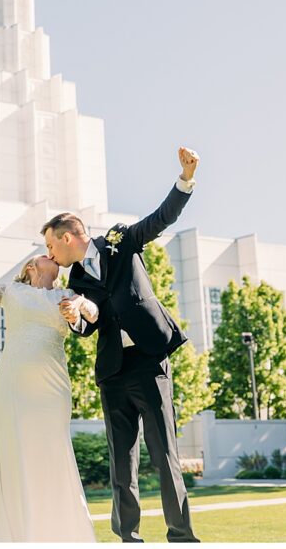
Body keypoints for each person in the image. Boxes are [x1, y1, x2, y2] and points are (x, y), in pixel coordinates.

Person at [46, 146, 201, 543]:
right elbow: (90, 317)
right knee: (121, 461)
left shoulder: (118, 240)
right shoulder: (76, 281)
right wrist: (77, 314)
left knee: (165, 454)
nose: (50, 254)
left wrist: (184, 179)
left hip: (149, 361)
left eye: (51, 245)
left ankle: (181, 534)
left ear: (68, 237)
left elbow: (158, 221)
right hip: (113, 373)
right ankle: (127, 536)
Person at [0, 230, 97, 542]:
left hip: (51, 392)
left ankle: (62, 535)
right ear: (30, 268)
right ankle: (21, 536)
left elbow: (92, 314)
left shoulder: (65, 295)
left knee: (53, 454)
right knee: (16, 457)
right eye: (44, 253)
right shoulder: (10, 291)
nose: (50, 254)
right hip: (13, 391)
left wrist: (81, 307)